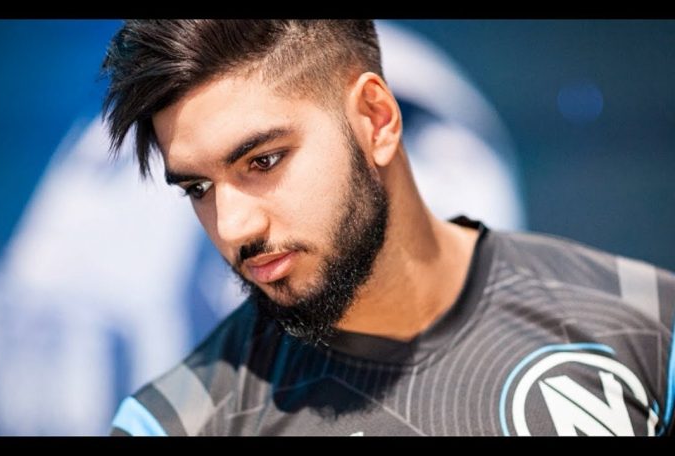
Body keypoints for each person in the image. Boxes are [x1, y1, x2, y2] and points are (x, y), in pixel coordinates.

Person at [101, 20, 674, 436]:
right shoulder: (178, 422)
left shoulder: (648, 323)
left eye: (264, 161)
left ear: (375, 120)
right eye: (198, 189)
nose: (232, 227)